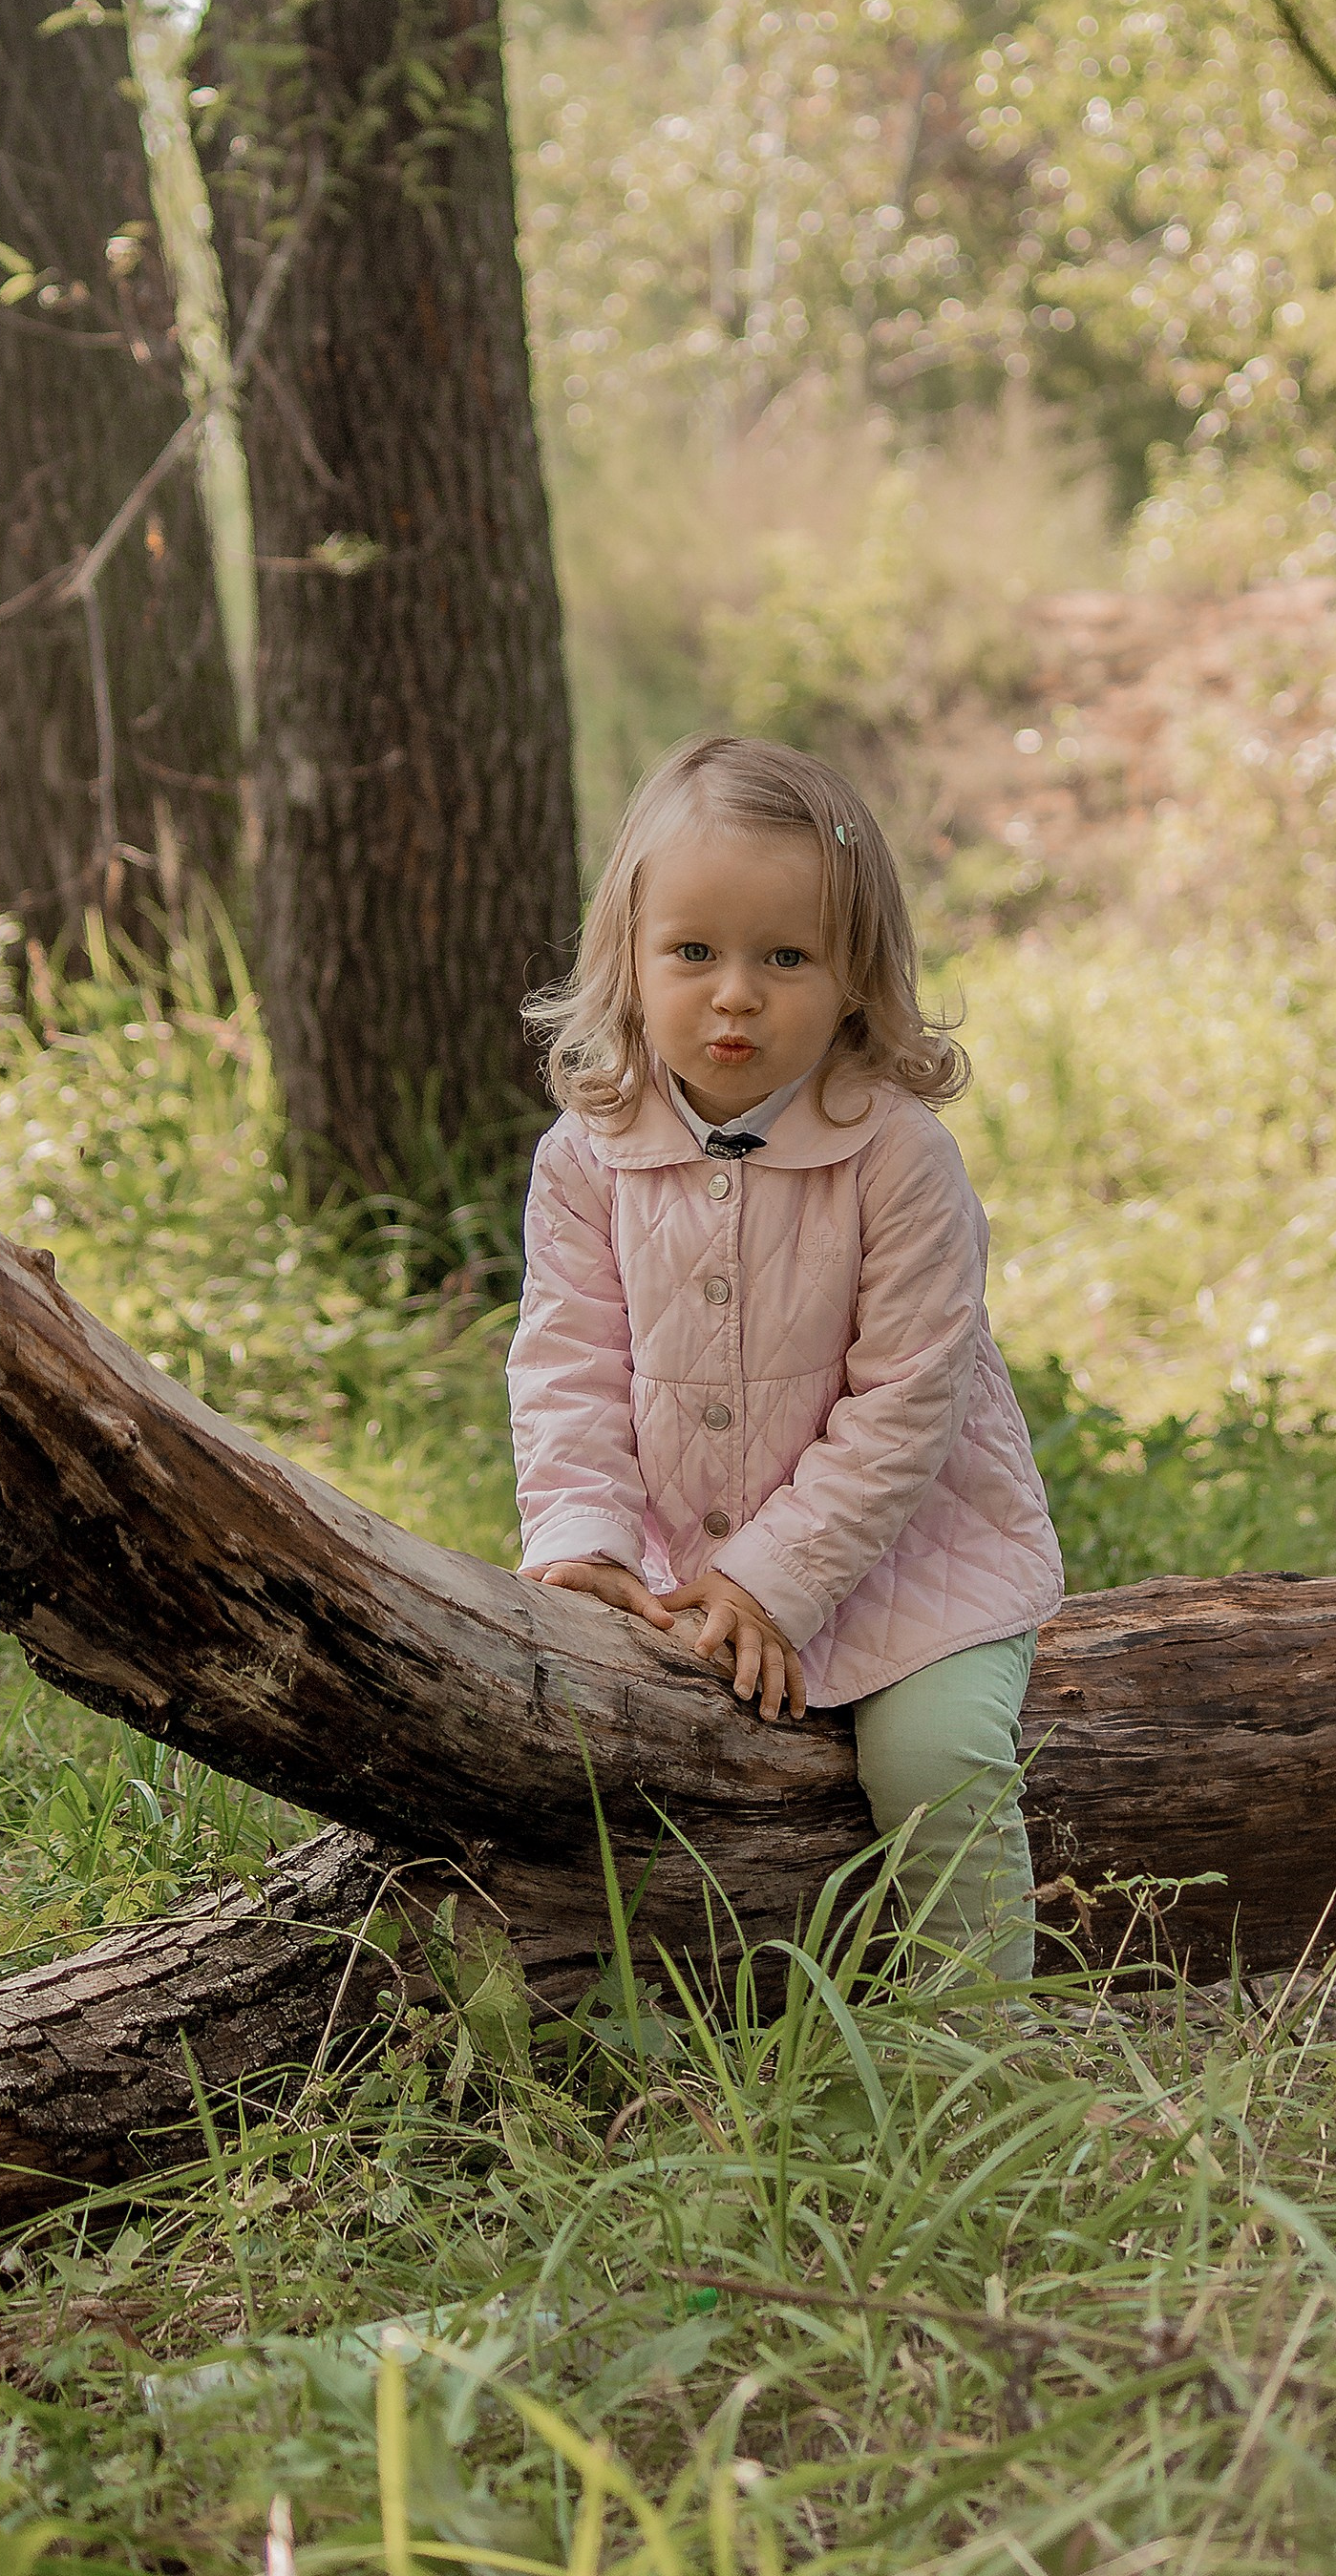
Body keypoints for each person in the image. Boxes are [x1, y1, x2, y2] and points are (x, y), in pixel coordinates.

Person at [508, 734, 1064, 1976]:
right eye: (694, 953)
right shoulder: (587, 1157)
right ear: (630, 963)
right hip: (675, 1565)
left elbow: (906, 1408)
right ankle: (635, 2029)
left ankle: (975, 2056)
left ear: (857, 976)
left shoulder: (897, 1159)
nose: (735, 994)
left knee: (933, 1763)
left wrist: (773, 1579)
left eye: (786, 956)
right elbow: (568, 1365)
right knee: (587, 1762)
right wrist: (585, 1539)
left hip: (915, 1558)